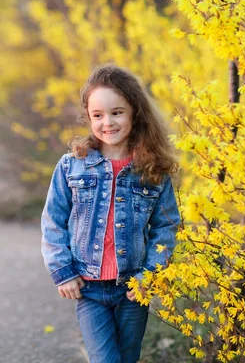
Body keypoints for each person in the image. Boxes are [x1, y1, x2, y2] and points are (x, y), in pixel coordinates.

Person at [41, 64, 181, 363]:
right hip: (88, 289)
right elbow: (53, 221)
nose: (108, 122)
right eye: (98, 115)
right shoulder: (71, 166)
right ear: (88, 117)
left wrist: (149, 275)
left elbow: (166, 228)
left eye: (117, 112)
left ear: (134, 113)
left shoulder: (152, 171)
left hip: (133, 289)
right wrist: (62, 271)